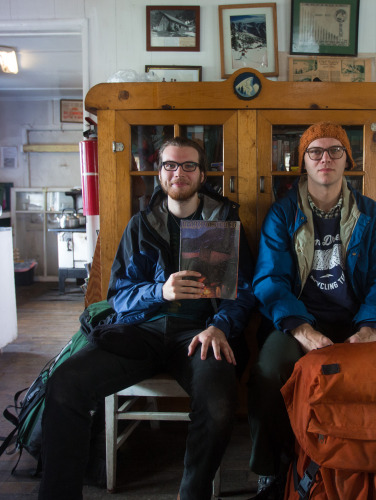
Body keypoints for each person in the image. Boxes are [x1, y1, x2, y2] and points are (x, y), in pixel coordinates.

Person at [38, 136, 255, 500]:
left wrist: (220, 326)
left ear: (202, 174)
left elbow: (244, 292)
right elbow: (119, 298)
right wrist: (160, 291)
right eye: (170, 165)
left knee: (219, 404)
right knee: (64, 383)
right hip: (139, 332)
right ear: (160, 173)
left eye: (188, 166)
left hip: (197, 334)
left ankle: (192, 494)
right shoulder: (140, 224)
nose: (179, 173)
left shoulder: (225, 223)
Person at [247, 122, 376, 500]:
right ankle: (271, 467)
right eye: (315, 151)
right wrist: (301, 329)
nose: (325, 159)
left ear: (347, 159)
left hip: (361, 321)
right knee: (268, 372)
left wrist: (371, 328)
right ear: (303, 161)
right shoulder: (283, 214)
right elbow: (270, 280)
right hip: (298, 322)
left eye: (335, 150)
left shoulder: (370, 214)